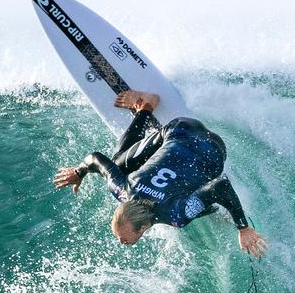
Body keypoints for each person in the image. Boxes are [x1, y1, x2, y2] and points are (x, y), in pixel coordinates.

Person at [53, 90, 267, 258]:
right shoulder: (123, 189)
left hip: (215, 149)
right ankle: (148, 122)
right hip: (183, 127)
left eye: (124, 239)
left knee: (122, 162)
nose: (120, 242)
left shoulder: (175, 214)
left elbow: (221, 186)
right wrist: (79, 171)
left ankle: (145, 105)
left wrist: (243, 228)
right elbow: (95, 158)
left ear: (144, 227)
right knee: (118, 164)